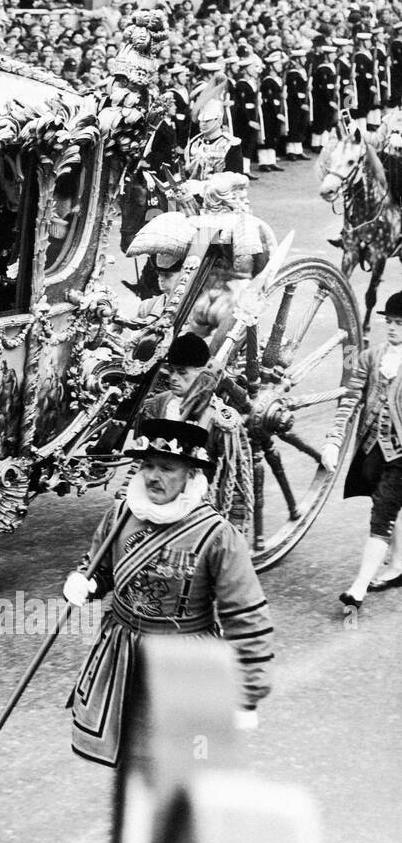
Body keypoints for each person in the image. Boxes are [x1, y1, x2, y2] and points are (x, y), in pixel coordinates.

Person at [64, 417, 273, 768]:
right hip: (123, 655)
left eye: (166, 467)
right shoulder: (120, 514)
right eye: (146, 465)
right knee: (133, 759)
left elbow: (246, 617)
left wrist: (247, 693)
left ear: (190, 474)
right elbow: (100, 567)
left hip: (185, 660)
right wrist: (86, 582)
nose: (152, 477)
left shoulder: (218, 535)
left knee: (185, 766)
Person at [324, 291, 402, 609]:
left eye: (400, 323)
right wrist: (333, 438)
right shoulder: (371, 356)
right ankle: (397, 565)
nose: (393, 328)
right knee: (390, 503)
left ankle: (358, 588)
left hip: (400, 453)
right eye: (390, 322)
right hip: (372, 447)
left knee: (382, 514)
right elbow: (351, 397)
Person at [140, 332, 251, 527]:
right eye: (171, 371)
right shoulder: (157, 405)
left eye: (182, 373)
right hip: (155, 502)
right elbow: (143, 464)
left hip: (198, 512)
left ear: (202, 373)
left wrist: (234, 531)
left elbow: (236, 485)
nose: (173, 378)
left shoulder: (222, 420)